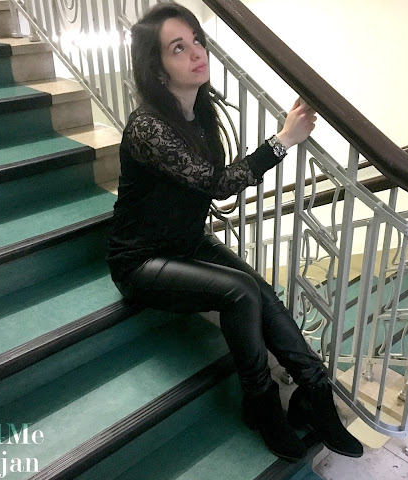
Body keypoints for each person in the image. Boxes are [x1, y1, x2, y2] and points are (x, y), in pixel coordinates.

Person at [106, 3, 363, 462]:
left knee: (259, 288)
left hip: (187, 243)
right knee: (240, 292)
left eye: (196, 40)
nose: (196, 53)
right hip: (140, 260)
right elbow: (217, 185)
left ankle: (315, 391)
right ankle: (261, 402)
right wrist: (282, 140)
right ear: (157, 68)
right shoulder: (148, 127)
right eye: (178, 48)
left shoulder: (200, 115)